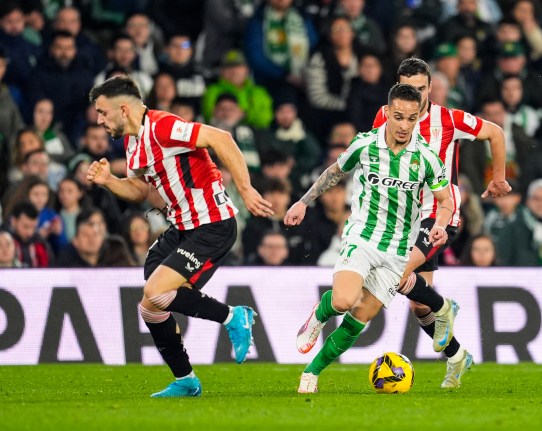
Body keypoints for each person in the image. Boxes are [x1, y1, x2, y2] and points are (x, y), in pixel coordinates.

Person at [85, 75, 273, 397]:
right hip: (182, 227)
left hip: (213, 224)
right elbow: (142, 190)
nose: (99, 120)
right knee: (150, 305)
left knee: (156, 291)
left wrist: (245, 188)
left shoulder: (162, 127)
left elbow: (222, 139)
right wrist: (109, 181)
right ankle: (186, 380)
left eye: (103, 112)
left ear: (124, 110)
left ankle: (234, 316)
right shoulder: (133, 143)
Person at [286, 83, 455, 394]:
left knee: (360, 318)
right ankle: (318, 316)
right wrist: (303, 201)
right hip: (362, 237)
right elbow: (334, 173)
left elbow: (445, 201)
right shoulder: (365, 144)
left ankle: (312, 372)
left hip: (397, 252)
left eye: (412, 118)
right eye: (399, 117)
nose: (404, 125)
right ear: (388, 113)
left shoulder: (427, 157)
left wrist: (441, 224)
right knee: (343, 301)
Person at [372, 58, 511, 388]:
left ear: (430, 87)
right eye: (408, 90)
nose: (415, 97)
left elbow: (496, 132)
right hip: (401, 214)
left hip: (439, 211)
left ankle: (445, 306)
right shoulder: (384, 116)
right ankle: (457, 356)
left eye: (421, 89)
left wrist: (499, 178)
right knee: (419, 303)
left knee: (397, 273)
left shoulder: (449, 119)